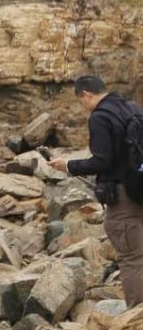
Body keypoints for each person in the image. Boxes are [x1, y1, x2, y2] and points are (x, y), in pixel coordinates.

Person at [48, 75, 143, 307]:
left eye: (81, 101)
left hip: (123, 197)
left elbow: (102, 161)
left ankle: (137, 315)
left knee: (131, 258)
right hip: (140, 189)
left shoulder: (100, 117)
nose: (83, 106)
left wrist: (69, 165)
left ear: (86, 95)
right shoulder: (132, 108)